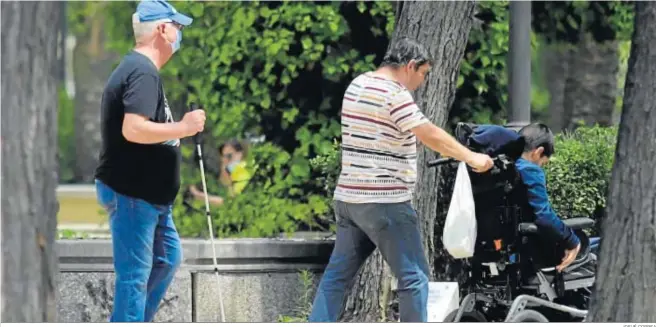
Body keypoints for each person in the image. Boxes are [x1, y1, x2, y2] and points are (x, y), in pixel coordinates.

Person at [308, 37, 494, 323]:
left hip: (349, 200)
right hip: (385, 202)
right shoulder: (394, 93)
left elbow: (377, 135)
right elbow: (429, 133)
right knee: (414, 278)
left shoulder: (357, 85)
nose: (422, 81)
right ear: (410, 66)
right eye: (423, 73)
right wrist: (471, 157)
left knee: (335, 278)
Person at [94, 0, 204, 322]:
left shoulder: (142, 71)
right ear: (161, 29)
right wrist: (183, 127)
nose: (179, 33)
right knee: (134, 277)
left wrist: (175, 132)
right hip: (132, 194)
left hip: (149, 197)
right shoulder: (141, 72)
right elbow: (134, 128)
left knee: (168, 258)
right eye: (177, 27)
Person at [515, 123, 581, 272]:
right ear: (538, 152)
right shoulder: (530, 170)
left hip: (509, 247)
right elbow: (544, 217)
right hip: (536, 251)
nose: (541, 167)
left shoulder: (503, 167)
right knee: (596, 246)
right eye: (543, 163)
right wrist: (572, 240)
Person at [189, 139, 252, 206]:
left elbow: (230, 203)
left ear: (240, 154)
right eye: (223, 156)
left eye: (229, 156)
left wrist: (198, 195)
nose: (224, 160)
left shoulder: (243, 174)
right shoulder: (234, 175)